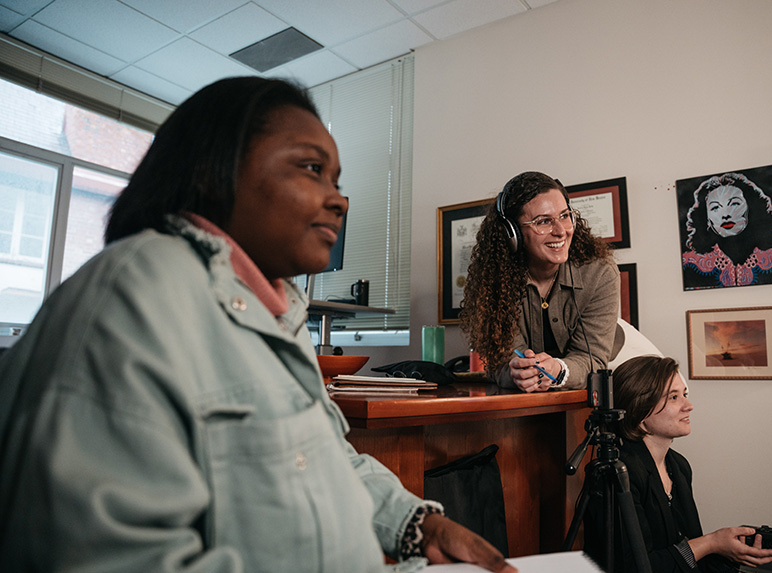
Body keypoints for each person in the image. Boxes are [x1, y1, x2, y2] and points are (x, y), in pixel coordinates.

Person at [0, 77, 515, 573]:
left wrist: (417, 525)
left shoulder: (278, 310)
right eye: (312, 169)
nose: (339, 200)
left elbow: (322, 457)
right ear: (216, 169)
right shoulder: (135, 292)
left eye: (337, 181)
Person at [583, 355, 772, 572]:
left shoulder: (678, 466)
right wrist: (712, 543)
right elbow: (636, 567)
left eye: (684, 395)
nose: (688, 406)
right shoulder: (617, 473)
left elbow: (688, 554)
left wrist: (732, 551)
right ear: (639, 410)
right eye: (673, 397)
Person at [460, 171, 619, 392]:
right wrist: (516, 373)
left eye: (565, 216)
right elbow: (499, 363)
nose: (561, 231)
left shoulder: (599, 273)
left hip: (614, 373)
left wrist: (560, 370)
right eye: (543, 221)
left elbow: (594, 360)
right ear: (512, 233)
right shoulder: (492, 281)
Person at [681, 172, 772, 289]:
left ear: (751, 207)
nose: (725, 215)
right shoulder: (688, 264)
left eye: (734, 204)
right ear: (707, 218)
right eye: (715, 208)